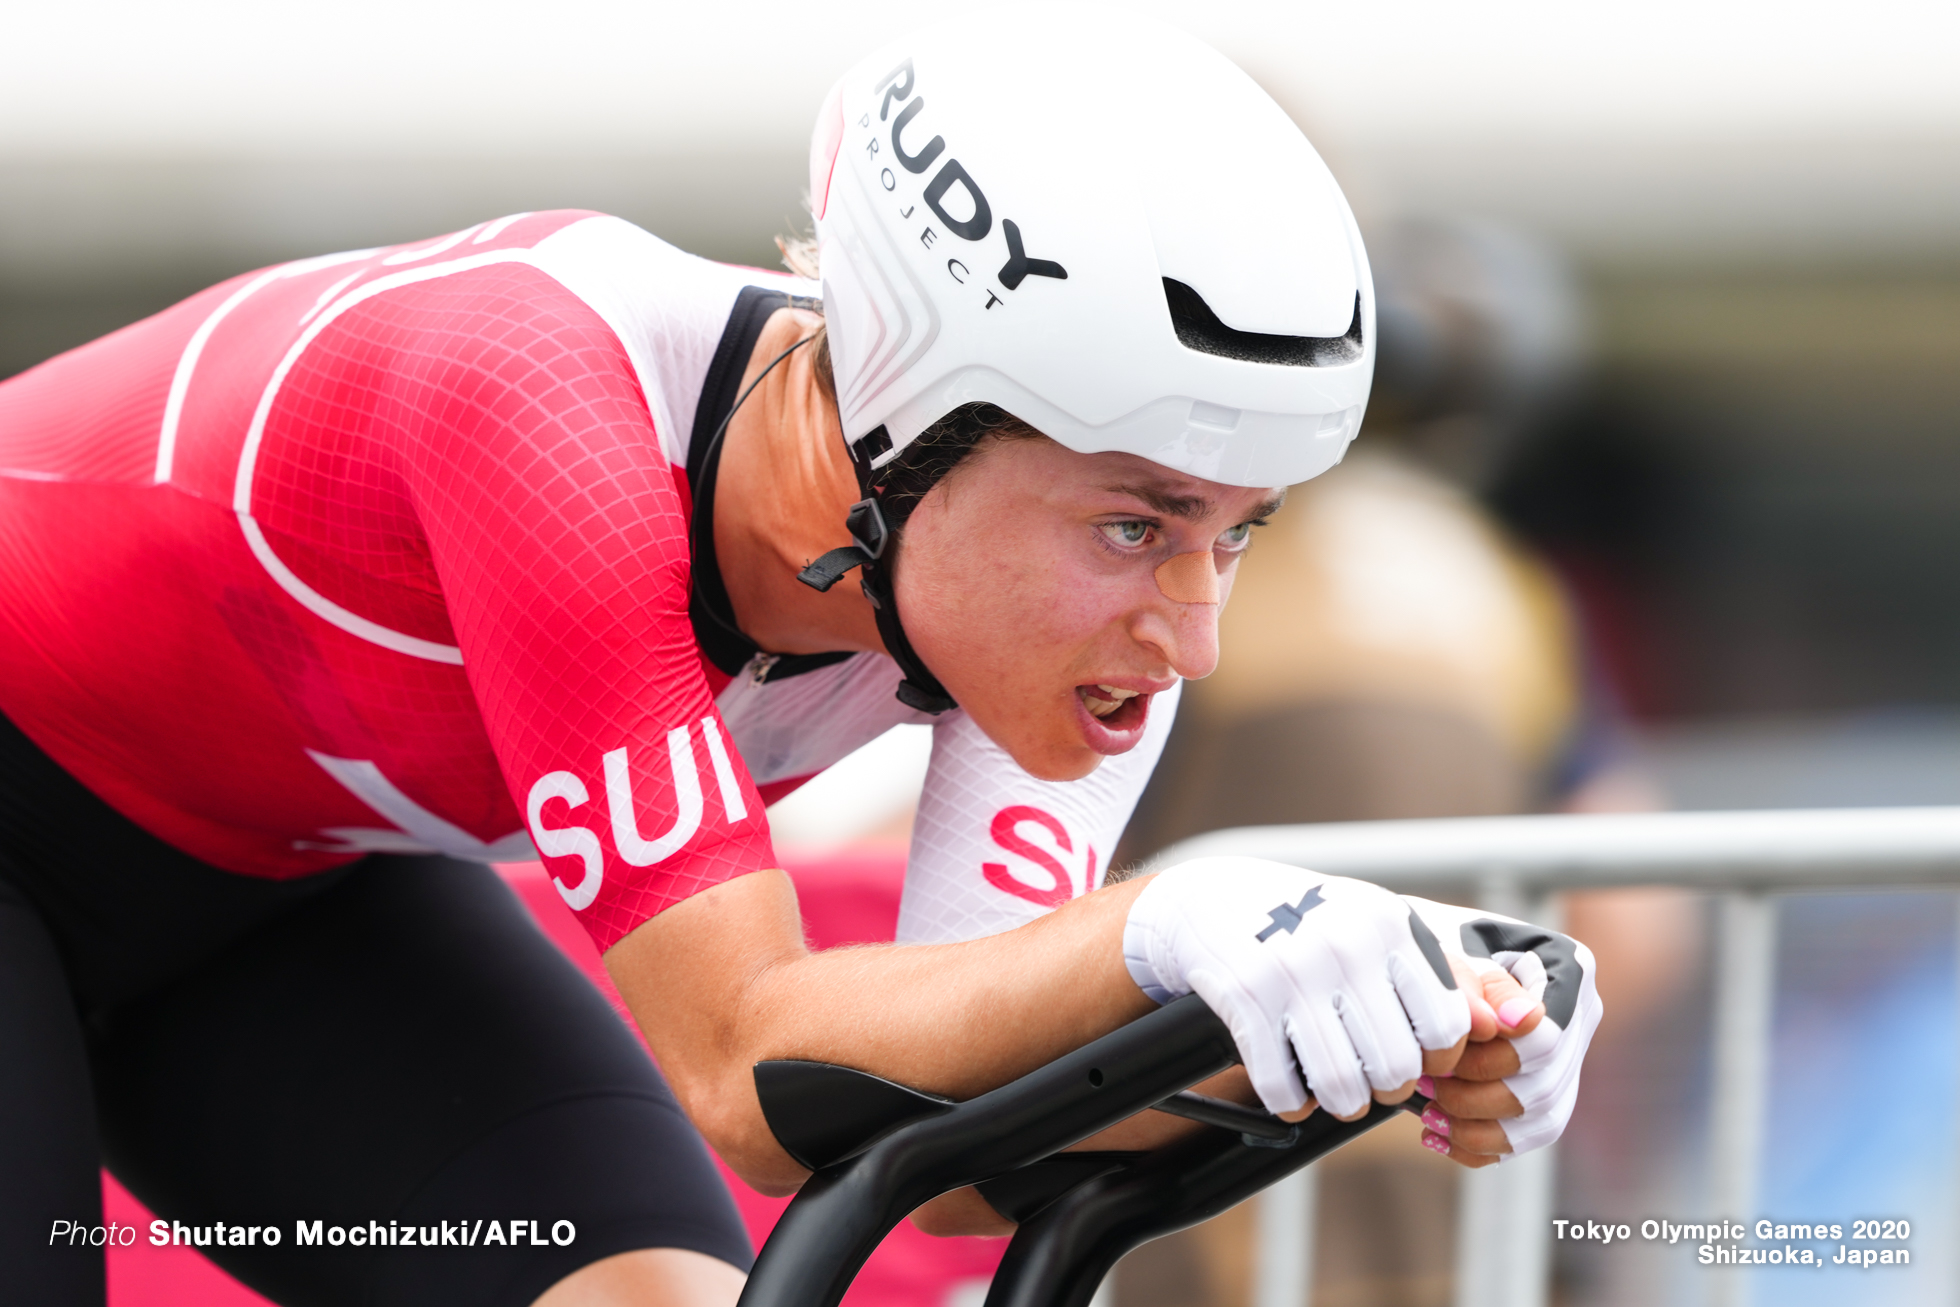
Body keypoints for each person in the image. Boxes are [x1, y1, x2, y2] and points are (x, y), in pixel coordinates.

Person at [0, 15, 1601, 1307]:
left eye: (1240, 530)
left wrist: (1374, 1034)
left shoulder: (1029, 591)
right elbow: (749, 1073)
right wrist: (1167, 930)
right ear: (903, 429)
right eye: (1137, 526)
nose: (1194, 631)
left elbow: (962, 1153)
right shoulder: (542, 412)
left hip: (280, 886)